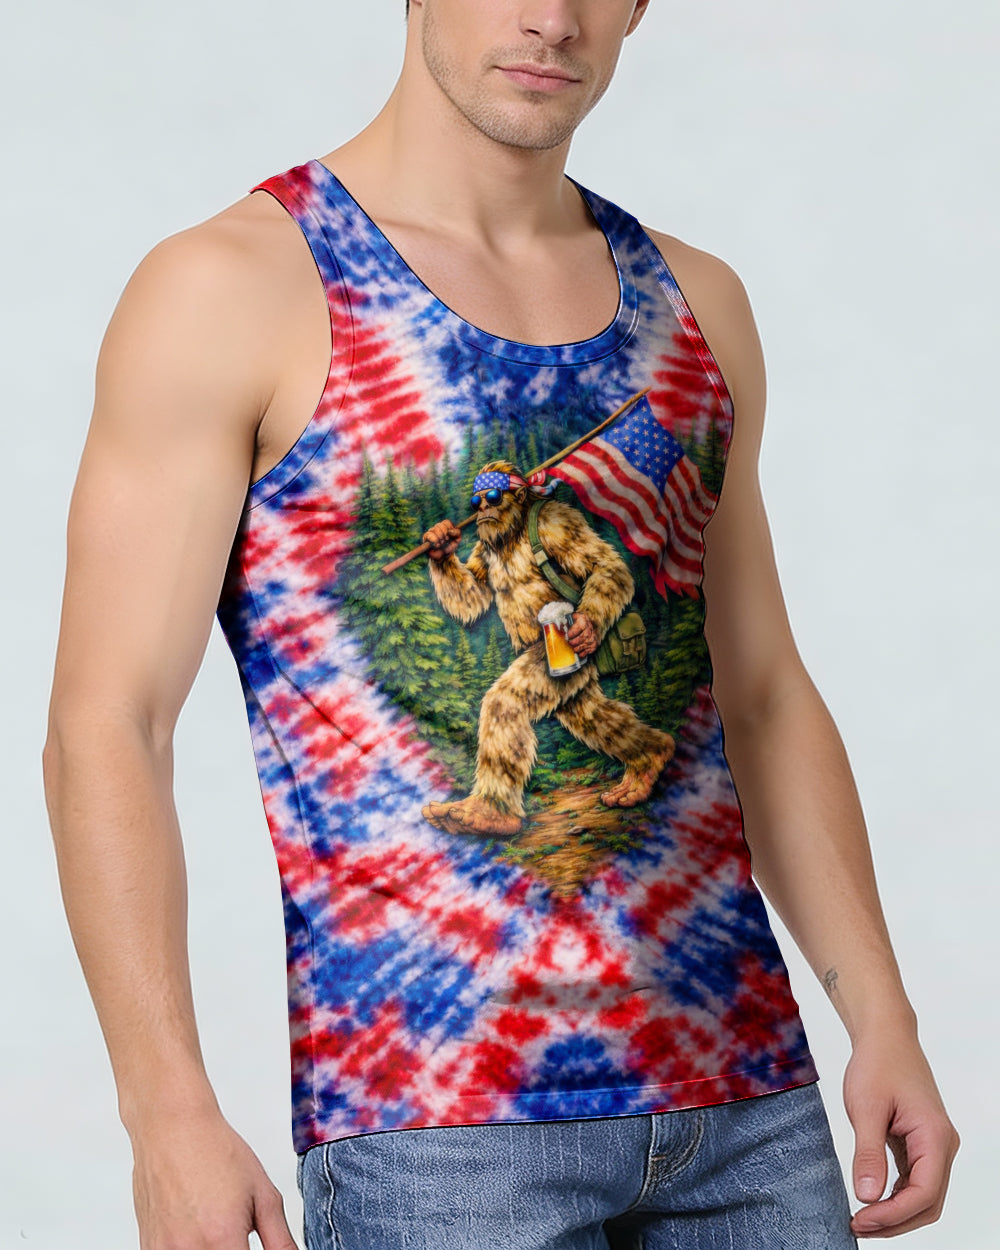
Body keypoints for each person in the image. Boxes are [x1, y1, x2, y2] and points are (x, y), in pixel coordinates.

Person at [42, 1, 960, 1247]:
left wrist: (882, 1013)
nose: (550, 19)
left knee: (570, 703)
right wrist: (164, 1111)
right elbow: (109, 722)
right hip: (436, 1126)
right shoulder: (235, 288)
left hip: (745, 1105)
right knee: (515, 704)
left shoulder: (694, 302)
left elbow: (760, 695)